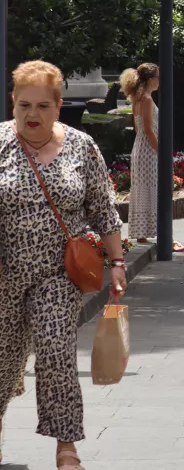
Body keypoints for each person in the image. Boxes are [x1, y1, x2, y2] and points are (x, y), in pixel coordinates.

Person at [0, 61, 126, 470]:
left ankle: (65, 445)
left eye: (41, 106)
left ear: (58, 106)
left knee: (56, 352)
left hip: (59, 275)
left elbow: (104, 210)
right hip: (4, 274)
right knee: (2, 360)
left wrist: (119, 262)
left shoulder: (80, 146)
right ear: (12, 103)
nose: (31, 115)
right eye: (23, 105)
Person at [120, 63, 184, 252]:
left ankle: (141, 232)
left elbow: (138, 128)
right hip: (148, 150)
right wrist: (162, 153)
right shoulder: (147, 99)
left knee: (142, 190)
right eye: (158, 76)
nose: (160, 80)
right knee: (158, 191)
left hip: (139, 148)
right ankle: (168, 238)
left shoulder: (137, 99)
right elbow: (149, 130)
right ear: (151, 80)